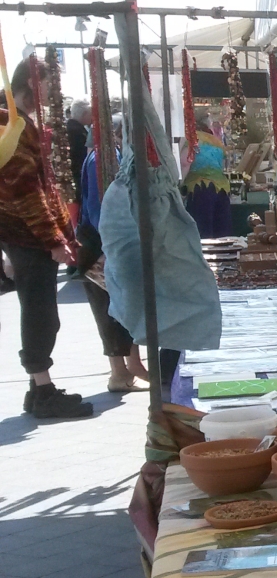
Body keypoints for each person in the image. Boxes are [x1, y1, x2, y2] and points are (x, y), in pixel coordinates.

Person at [1, 56, 92, 418]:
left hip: (26, 234)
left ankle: (37, 389)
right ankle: (43, 390)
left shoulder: (19, 122)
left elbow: (40, 187)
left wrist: (61, 233)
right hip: (25, 235)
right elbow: (25, 191)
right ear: (32, 85)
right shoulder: (10, 125)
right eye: (49, 88)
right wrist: (53, 238)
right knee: (40, 313)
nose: (53, 96)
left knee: (39, 310)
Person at [76, 114, 146, 393]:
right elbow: (97, 209)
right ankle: (120, 371)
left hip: (108, 240)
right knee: (109, 306)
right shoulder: (100, 160)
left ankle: (131, 365)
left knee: (122, 303)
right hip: (100, 242)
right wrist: (108, 246)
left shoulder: (111, 156)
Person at [179, 111, 231, 239]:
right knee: (222, 237)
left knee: (202, 236)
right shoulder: (217, 141)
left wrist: (178, 188)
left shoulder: (190, 138)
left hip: (200, 189)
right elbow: (224, 166)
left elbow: (185, 162)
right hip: (223, 190)